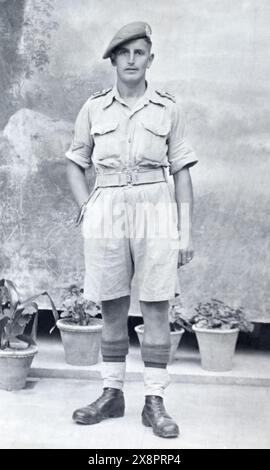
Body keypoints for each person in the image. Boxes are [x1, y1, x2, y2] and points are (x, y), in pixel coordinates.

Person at [65, 21, 198, 439]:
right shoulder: (93, 108)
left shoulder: (167, 107)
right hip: (107, 208)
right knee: (111, 303)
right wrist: (88, 207)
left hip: (155, 207)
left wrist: (186, 230)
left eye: (139, 52)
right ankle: (111, 393)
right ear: (113, 61)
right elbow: (74, 161)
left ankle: (154, 401)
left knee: (158, 304)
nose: (131, 60)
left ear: (150, 59)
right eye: (123, 53)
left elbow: (181, 171)